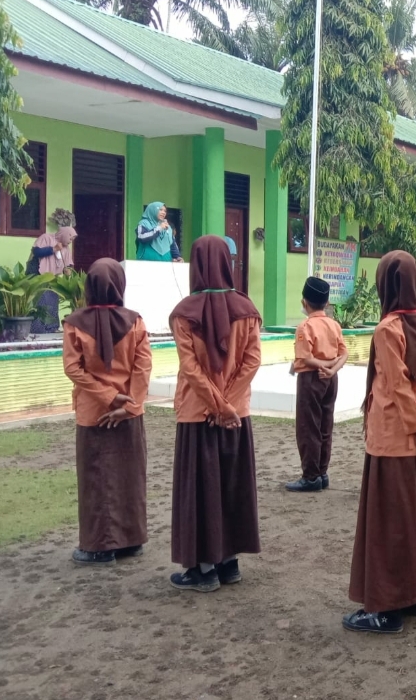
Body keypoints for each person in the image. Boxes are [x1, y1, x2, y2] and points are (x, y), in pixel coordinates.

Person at [345, 251, 416, 632]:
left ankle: (385, 608)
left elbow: (398, 387)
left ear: (386, 284)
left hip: (394, 437)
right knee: (415, 518)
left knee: (389, 522)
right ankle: (415, 595)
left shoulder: (389, 328)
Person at [167, 235, 262, 592]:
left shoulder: (184, 313)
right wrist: (228, 403)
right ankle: (229, 563)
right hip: (235, 416)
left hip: (198, 414)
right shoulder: (247, 310)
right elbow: (252, 361)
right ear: (227, 263)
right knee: (231, 486)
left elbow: (190, 368)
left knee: (201, 489)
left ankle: (203, 569)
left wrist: (215, 405)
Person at [62, 259, 152, 565]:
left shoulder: (75, 323)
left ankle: (99, 546)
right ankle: (132, 540)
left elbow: (73, 369)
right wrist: (127, 404)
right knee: (129, 475)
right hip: (129, 411)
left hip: (94, 413)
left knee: (97, 477)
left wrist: (106, 397)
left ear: (89, 286)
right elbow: (143, 368)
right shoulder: (135, 322)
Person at [286, 276, 348, 493]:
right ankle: (322, 472)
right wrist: (332, 367)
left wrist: (323, 364)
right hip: (330, 379)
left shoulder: (305, 326)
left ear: (305, 302)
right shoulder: (334, 325)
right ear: (326, 302)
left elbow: (306, 358)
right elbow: (344, 353)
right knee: (325, 425)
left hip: (311, 378)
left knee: (308, 426)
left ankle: (310, 476)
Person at [27, 225, 78, 333]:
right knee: (41, 300)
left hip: (52, 277)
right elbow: (36, 252)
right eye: (70, 237)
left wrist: (68, 269)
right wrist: (54, 249)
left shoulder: (66, 249)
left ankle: (52, 327)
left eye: (73, 239)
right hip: (37, 275)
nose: (71, 241)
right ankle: (38, 329)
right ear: (64, 234)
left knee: (53, 300)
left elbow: (68, 263)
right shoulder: (46, 237)